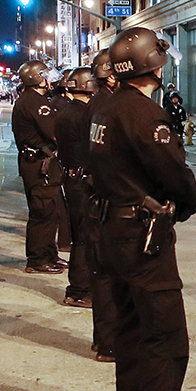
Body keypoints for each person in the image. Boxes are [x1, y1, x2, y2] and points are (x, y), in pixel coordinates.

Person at [90, 27, 196, 391]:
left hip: (110, 229)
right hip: (141, 236)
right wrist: (188, 204)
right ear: (152, 66)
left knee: (131, 326)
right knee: (165, 335)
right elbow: (176, 176)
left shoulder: (105, 109)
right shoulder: (145, 115)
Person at [84, 47, 122, 358]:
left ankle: (103, 338)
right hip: (110, 200)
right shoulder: (112, 107)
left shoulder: (94, 105)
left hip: (93, 195)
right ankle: (110, 343)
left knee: (101, 277)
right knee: (112, 278)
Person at [12, 60, 65, 275]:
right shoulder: (35, 102)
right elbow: (55, 131)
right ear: (36, 78)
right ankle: (38, 259)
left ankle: (48, 255)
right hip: (38, 165)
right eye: (45, 75)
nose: (49, 79)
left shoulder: (32, 99)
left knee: (48, 211)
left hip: (35, 163)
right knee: (43, 212)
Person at [55, 67, 97, 311]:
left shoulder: (65, 111)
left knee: (79, 234)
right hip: (82, 179)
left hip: (70, 176)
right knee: (84, 237)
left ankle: (79, 288)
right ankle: (80, 290)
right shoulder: (83, 115)